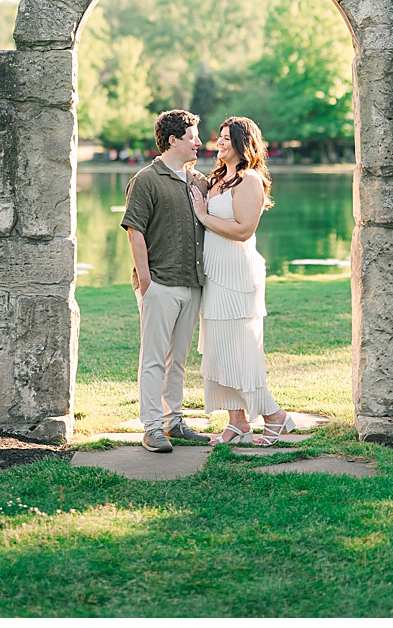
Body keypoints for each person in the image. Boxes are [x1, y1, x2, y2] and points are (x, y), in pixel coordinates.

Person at [190, 116, 296, 445]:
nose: (219, 143)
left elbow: (243, 230)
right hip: (215, 275)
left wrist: (204, 216)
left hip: (238, 276)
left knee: (242, 350)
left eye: (225, 138)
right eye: (218, 138)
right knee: (219, 349)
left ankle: (276, 417)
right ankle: (237, 422)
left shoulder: (249, 180)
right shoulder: (218, 178)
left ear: (241, 142)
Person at [121, 109, 212, 453]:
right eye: (192, 137)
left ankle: (174, 422)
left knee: (178, 360)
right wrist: (146, 283)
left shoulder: (198, 181)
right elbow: (135, 231)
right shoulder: (146, 179)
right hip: (159, 284)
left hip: (192, 284)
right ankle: (151, 427)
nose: (199, 143)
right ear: (173, 140)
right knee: (154, 359)